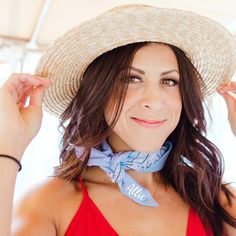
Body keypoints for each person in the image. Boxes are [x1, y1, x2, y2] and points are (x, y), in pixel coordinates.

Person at [0, 4, 236, 236]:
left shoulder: (216, 201)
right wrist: (8, 145)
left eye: (169, 81)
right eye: (132, 79)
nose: (154, 101)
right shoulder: (49, 205)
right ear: (98, 93)